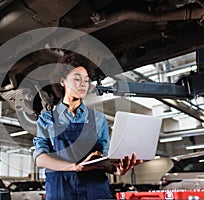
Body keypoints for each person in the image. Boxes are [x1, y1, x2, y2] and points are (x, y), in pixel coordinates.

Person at [33, 53, 142, 200]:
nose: (83, 84)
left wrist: (117, 170)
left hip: (94, 187)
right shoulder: (47, 119)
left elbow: (106, 159)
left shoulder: (98, 119)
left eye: (86, 80)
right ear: (63, 81)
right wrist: (74, 166)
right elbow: (40, 159)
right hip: (60, 188)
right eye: (77, 79)